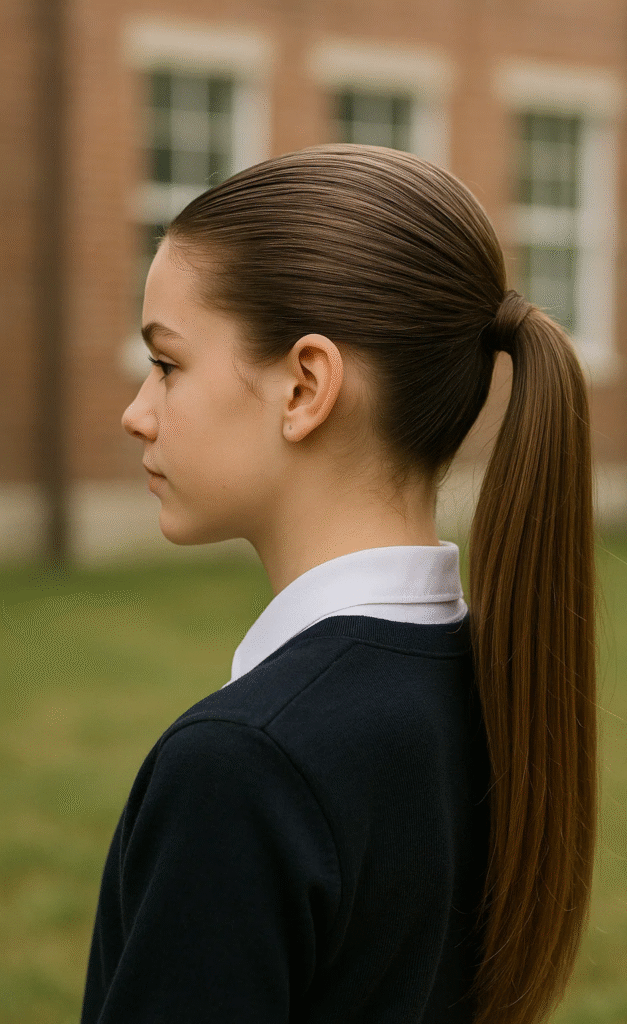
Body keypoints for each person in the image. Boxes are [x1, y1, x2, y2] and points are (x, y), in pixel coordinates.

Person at [81, 143, 598, 1024]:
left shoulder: (242, 766)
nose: (138, 410)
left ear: (304, 386)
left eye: (168, 364)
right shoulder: (488, 682)